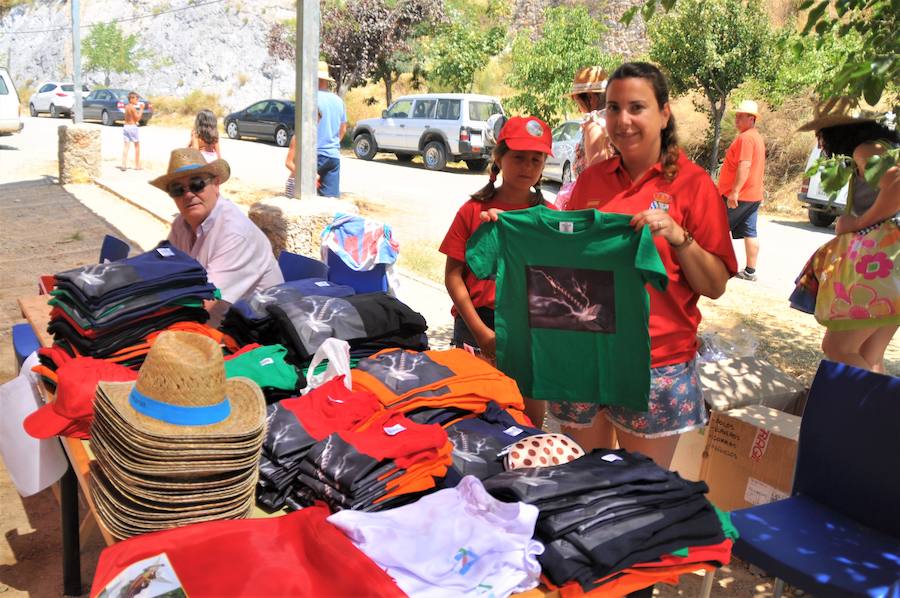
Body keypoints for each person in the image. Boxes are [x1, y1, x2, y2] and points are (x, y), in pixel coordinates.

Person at [551, 62, 737, 468]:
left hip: (657, 363)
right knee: (587, 481)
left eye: (637, 107)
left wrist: (679, 237)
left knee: (643, 492)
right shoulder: (591, 181)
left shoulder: (693, 185)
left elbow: (716, 284)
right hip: (588, 356)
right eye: (613, 108)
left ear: (664, 113)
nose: (623, 120)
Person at [440, 116, 554, 426]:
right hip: (477, 324)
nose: (527, 166)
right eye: (518, 157)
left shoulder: (552, 218)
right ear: (499, 157)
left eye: (536, 159)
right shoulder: (473, 211)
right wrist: (481, 332)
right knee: (473, 416)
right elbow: (453, 276)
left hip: (531, 328)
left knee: (528, 419)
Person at [790, 98, 899, 372]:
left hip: (886, 269)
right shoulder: (883, 147)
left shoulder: (867, 150)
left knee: (838, 348)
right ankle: (876, 414)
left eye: (821, 134)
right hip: (891, 272)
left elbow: (897, 186)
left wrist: (858, 222)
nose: (820, 143)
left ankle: (882, 411)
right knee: (868, 354)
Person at [150, 148, 284, 325]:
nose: (188, 194)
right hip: (214, 322)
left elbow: (207, 302)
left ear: (216, 184)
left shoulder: (235, 232)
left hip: (255, 335)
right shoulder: (181, 225)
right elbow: (164, 273)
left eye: (197, 184)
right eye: (177, 189)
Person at [718, 99, 766, 281]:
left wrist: (735, 191)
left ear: (751, 118)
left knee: (718, 228)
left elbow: (744, 166)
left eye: (741, 116)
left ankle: (718, 266)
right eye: (736, 116)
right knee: (750, 232)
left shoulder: (746, 139)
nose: (736, 119)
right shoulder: (756, 138)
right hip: (753, 195)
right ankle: (750, 271)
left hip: (741, 195)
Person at [555, 67, 614, 210]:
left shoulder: (596, 123)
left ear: (590, 98)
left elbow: (597, 175)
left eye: (576, 100)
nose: (578, 107)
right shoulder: (615, 120)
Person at [316, 61, 347, 197]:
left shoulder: (310, 98)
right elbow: (343, 129)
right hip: (333, 156)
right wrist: (333, 144)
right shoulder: (338, 101)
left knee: (306, 198)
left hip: (314, 155)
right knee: (330, 203)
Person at [284, 110, 321, 197]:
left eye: (317, 123)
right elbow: (288, 163)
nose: (314, 126)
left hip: (307, 185)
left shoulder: (311, 139)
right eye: (313, 122)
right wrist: (305, 176)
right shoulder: (297, 138)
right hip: (295, 183)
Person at [121, 91, 144, 170]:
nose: (137, 100)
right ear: (131, 99)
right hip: (132, 127)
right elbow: (137, 118)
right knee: (137, 146)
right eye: (136, 98)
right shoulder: (132, 107)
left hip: (126, 126)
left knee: (126, 146)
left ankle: (123, 165)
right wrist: (141, 109)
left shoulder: (127, 107)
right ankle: (137, 165)